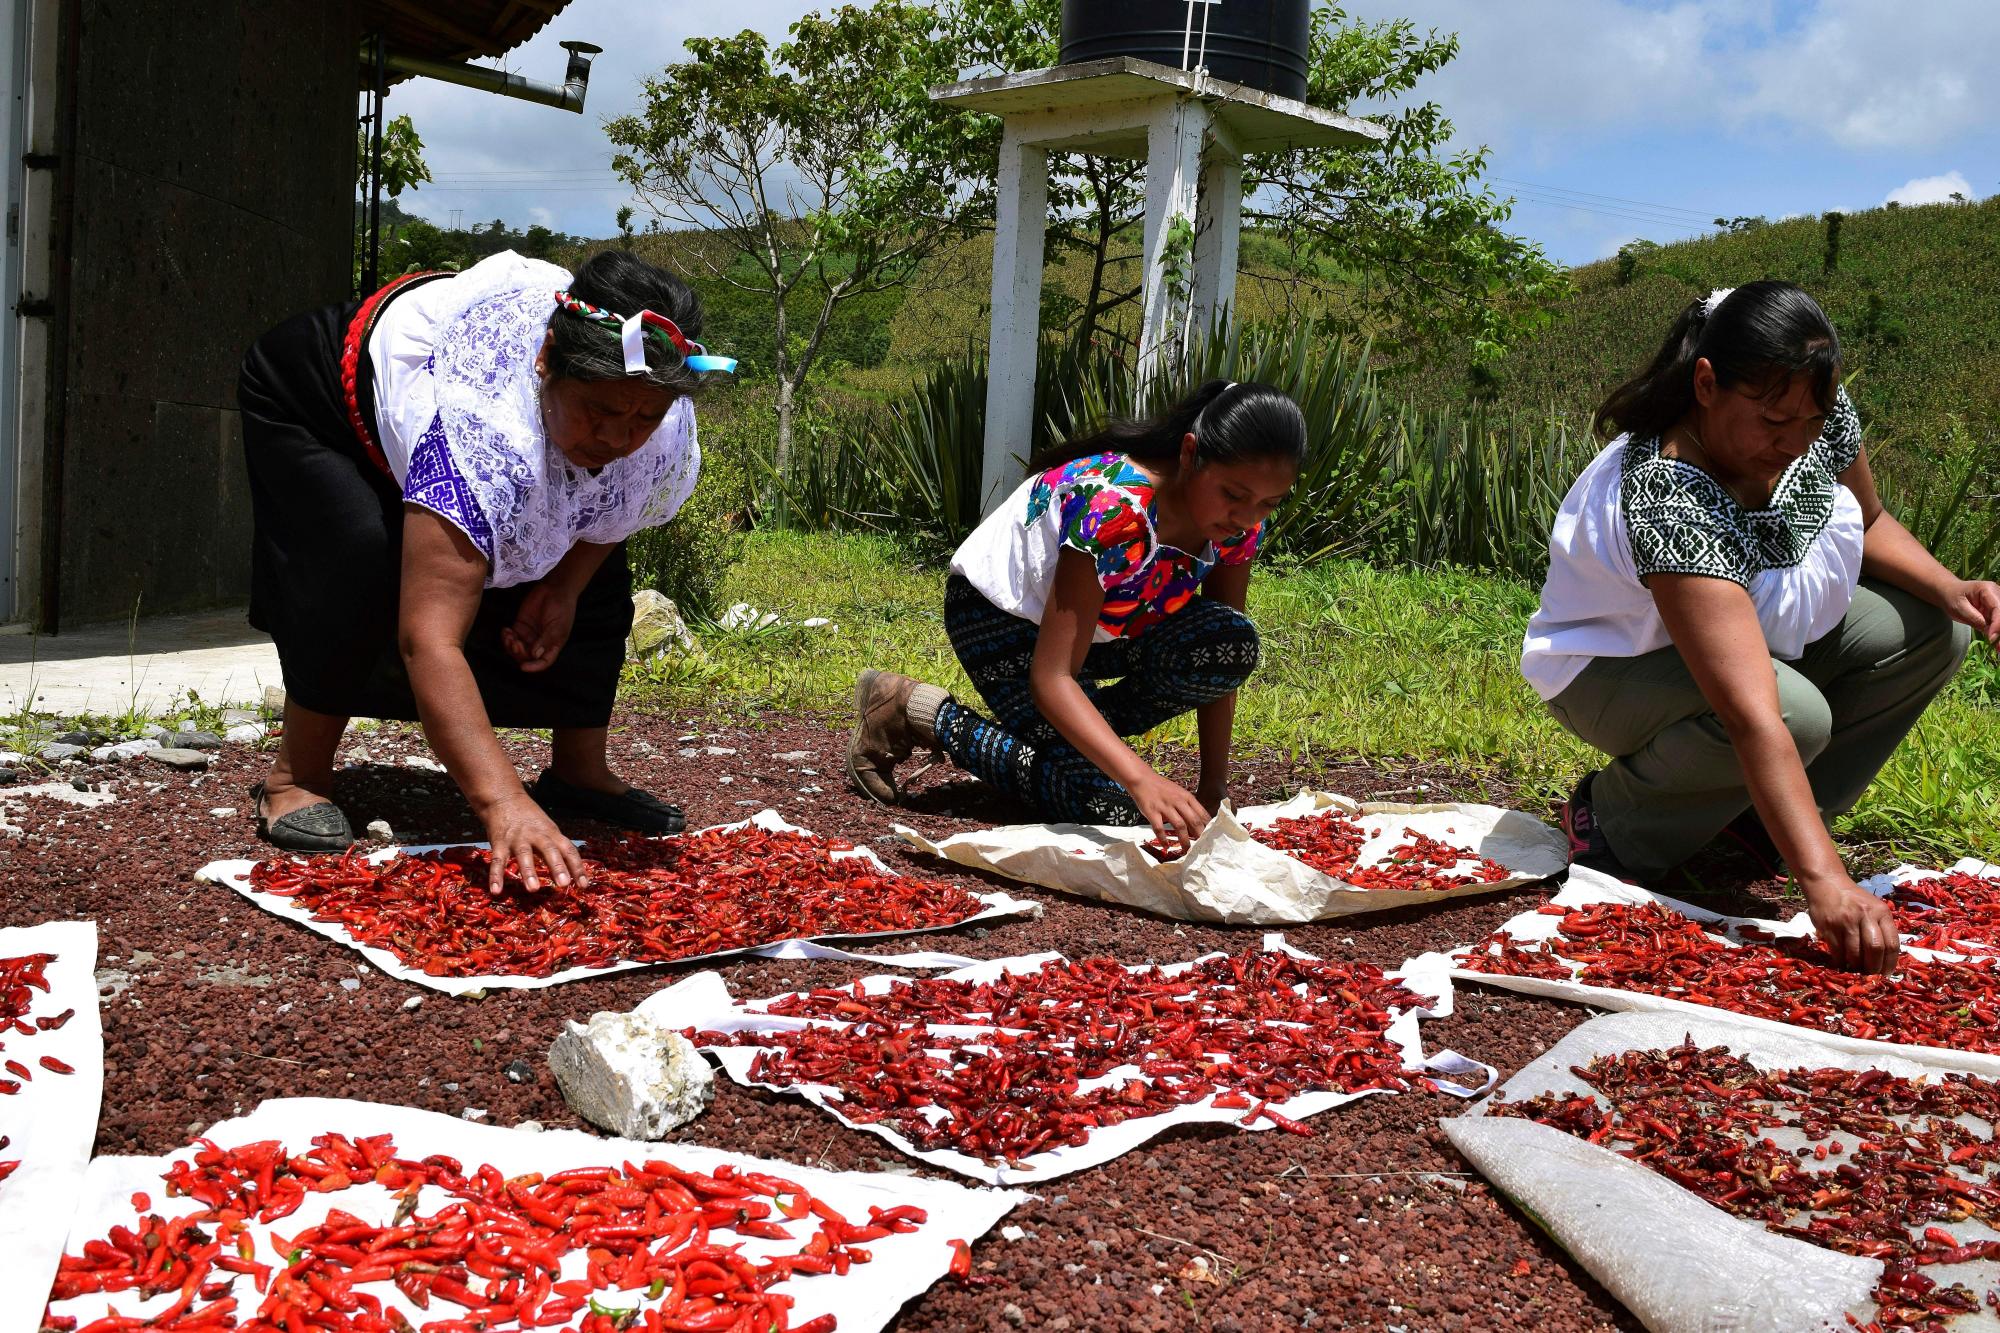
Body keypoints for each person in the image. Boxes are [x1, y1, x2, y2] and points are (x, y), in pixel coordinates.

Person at [1522, 280, 1997, 973]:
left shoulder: (1809, 404)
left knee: (1931, 629)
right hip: (1611, 670)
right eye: (1774, 424)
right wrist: (1825, 881)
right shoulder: (1668, 491)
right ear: (1707, 385)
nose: (1795, 442)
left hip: (1740, 636)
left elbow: (1868, 521)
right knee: (1790, 714)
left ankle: (1751, 831)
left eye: (1810, 422)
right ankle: (1614, 822)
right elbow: (1752, 713)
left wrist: (1954, 588)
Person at [238, 248, 736, 891]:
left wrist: (562, 588)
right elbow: (430, 638)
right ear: (545, 361)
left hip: (457, 401)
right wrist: (501, 802)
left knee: (596, 582)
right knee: (359, 555)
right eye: (599, 412)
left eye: (642, 417)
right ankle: (296, 776)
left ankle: (579, 772)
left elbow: (613, 511)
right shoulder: (486, 430)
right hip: (316, 399)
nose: (617, 438)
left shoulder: (653, 418)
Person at [846, 380, 1304, 848]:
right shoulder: (1114, 509)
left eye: (1268, 503)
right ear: (1190, 454)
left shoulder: (1237, 527)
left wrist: (1215, 788)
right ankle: (911, 710)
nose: (1247, 517)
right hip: (999, 617)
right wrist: (1140, 779)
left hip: (1109, 630)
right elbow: (1053, 677)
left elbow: (1221, 650)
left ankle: (1060, 741)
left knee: (1229, 644)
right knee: (1108, 805)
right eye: (1234, 494)